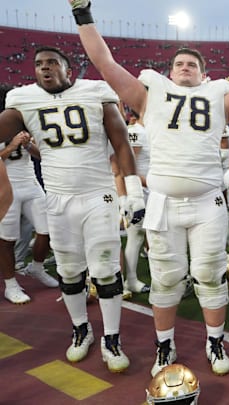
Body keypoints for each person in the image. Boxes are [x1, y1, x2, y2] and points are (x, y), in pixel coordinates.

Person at [68, 0, 229, 376]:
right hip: (165, 203)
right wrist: (82, 15)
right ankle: (164, 345)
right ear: (169, 73)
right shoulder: (149, 94)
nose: (185, 68)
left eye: (193, 65)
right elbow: (105, 62)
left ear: (204, 75)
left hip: (207, 203)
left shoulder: (218, 98)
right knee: (167, 279)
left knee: (210, 274)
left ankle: (214, 340)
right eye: (179, 64)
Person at [0, 46, 141, 373]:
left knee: (106, 270)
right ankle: (81, 329)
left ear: (68, 69)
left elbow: (120, 140)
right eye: (38, 64)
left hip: (98, 195)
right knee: (68, 270)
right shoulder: (23, 99)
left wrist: (132, 191)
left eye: (52, 62)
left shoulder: (94, 91)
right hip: (58, 199)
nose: (44, 68)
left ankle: (112, 338)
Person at [0, 130, 57, 305]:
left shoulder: (23, 123)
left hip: (31, 184)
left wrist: (28, 145)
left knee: (49, 230)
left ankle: (37, 267)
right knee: (7, 239)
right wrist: (11, 146)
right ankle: (10, 285)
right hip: (5, 186)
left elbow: (41, 155)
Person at [121, 111, 150, 295]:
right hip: (140, 191)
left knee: (149, 236)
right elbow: (128, 167)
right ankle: (129, 280)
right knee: (136, 236)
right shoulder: (136, 132)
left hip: (151, 190)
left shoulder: (150, 131)